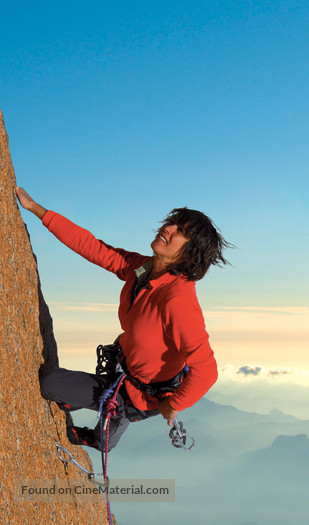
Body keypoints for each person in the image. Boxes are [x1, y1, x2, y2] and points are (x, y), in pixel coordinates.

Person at [15, 186, 230, 451]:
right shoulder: (142, 269)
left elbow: (206, 370)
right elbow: (93, 247)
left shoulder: (178, 301)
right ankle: (98, 403)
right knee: (59, 387)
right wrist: (37, 209)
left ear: (189, 253)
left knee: (55, 388)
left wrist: (174, 404)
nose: (168, 228)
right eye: (172, 222)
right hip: (121, 367)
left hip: (141, 394)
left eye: (180, 232)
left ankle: (107, 431)